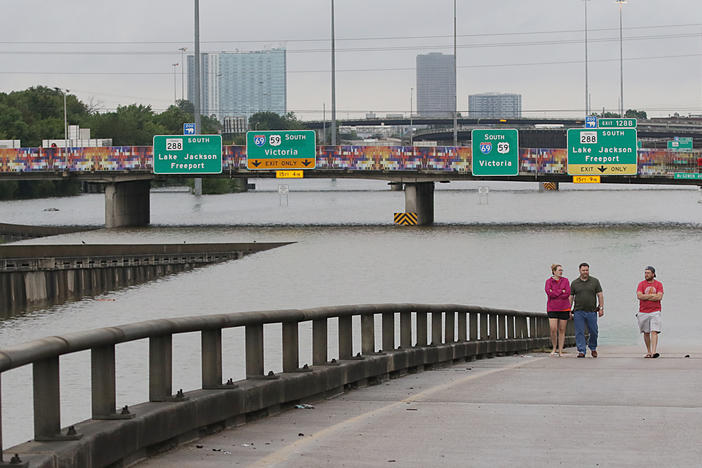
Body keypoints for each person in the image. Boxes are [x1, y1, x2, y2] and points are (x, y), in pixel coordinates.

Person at [569, 263, 604, 358]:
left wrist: (601, 308)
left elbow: (600, 295)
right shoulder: (574, 283)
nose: (585, 272)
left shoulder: (595, 281)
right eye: (583, 270)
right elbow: (571, 297)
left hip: (591, 311)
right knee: (579, 331)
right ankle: (581, 350)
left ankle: (593, 348)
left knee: (594, 331)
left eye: (587, 270)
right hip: (578, 311)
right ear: (579, 270)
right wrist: (568, 309)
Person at [636, 266, 664, 358]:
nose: (646, 275)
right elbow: (639, 296)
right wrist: (652, 296)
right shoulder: (641, 284)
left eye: (648, 273)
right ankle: (648, 351)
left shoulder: (658, 284)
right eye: (645, 273)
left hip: (655, 311)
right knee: (646, 332)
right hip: (643, 311)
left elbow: (659, 297)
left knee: (654, 331)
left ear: (653, 274)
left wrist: (646, 296)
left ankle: (654, 352)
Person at [545, 264, 571, 356]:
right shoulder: (549, 281)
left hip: (564, 308)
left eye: (562, 270)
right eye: (559, 270)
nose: (561, 272)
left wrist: (555, 292)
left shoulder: (566, 281)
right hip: (552, 308)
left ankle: (560, 350)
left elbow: (567, 293)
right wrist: (561, 291)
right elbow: (549, 293)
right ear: (554, 271)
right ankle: (554, 348)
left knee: (562, 329)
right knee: (553, 328)